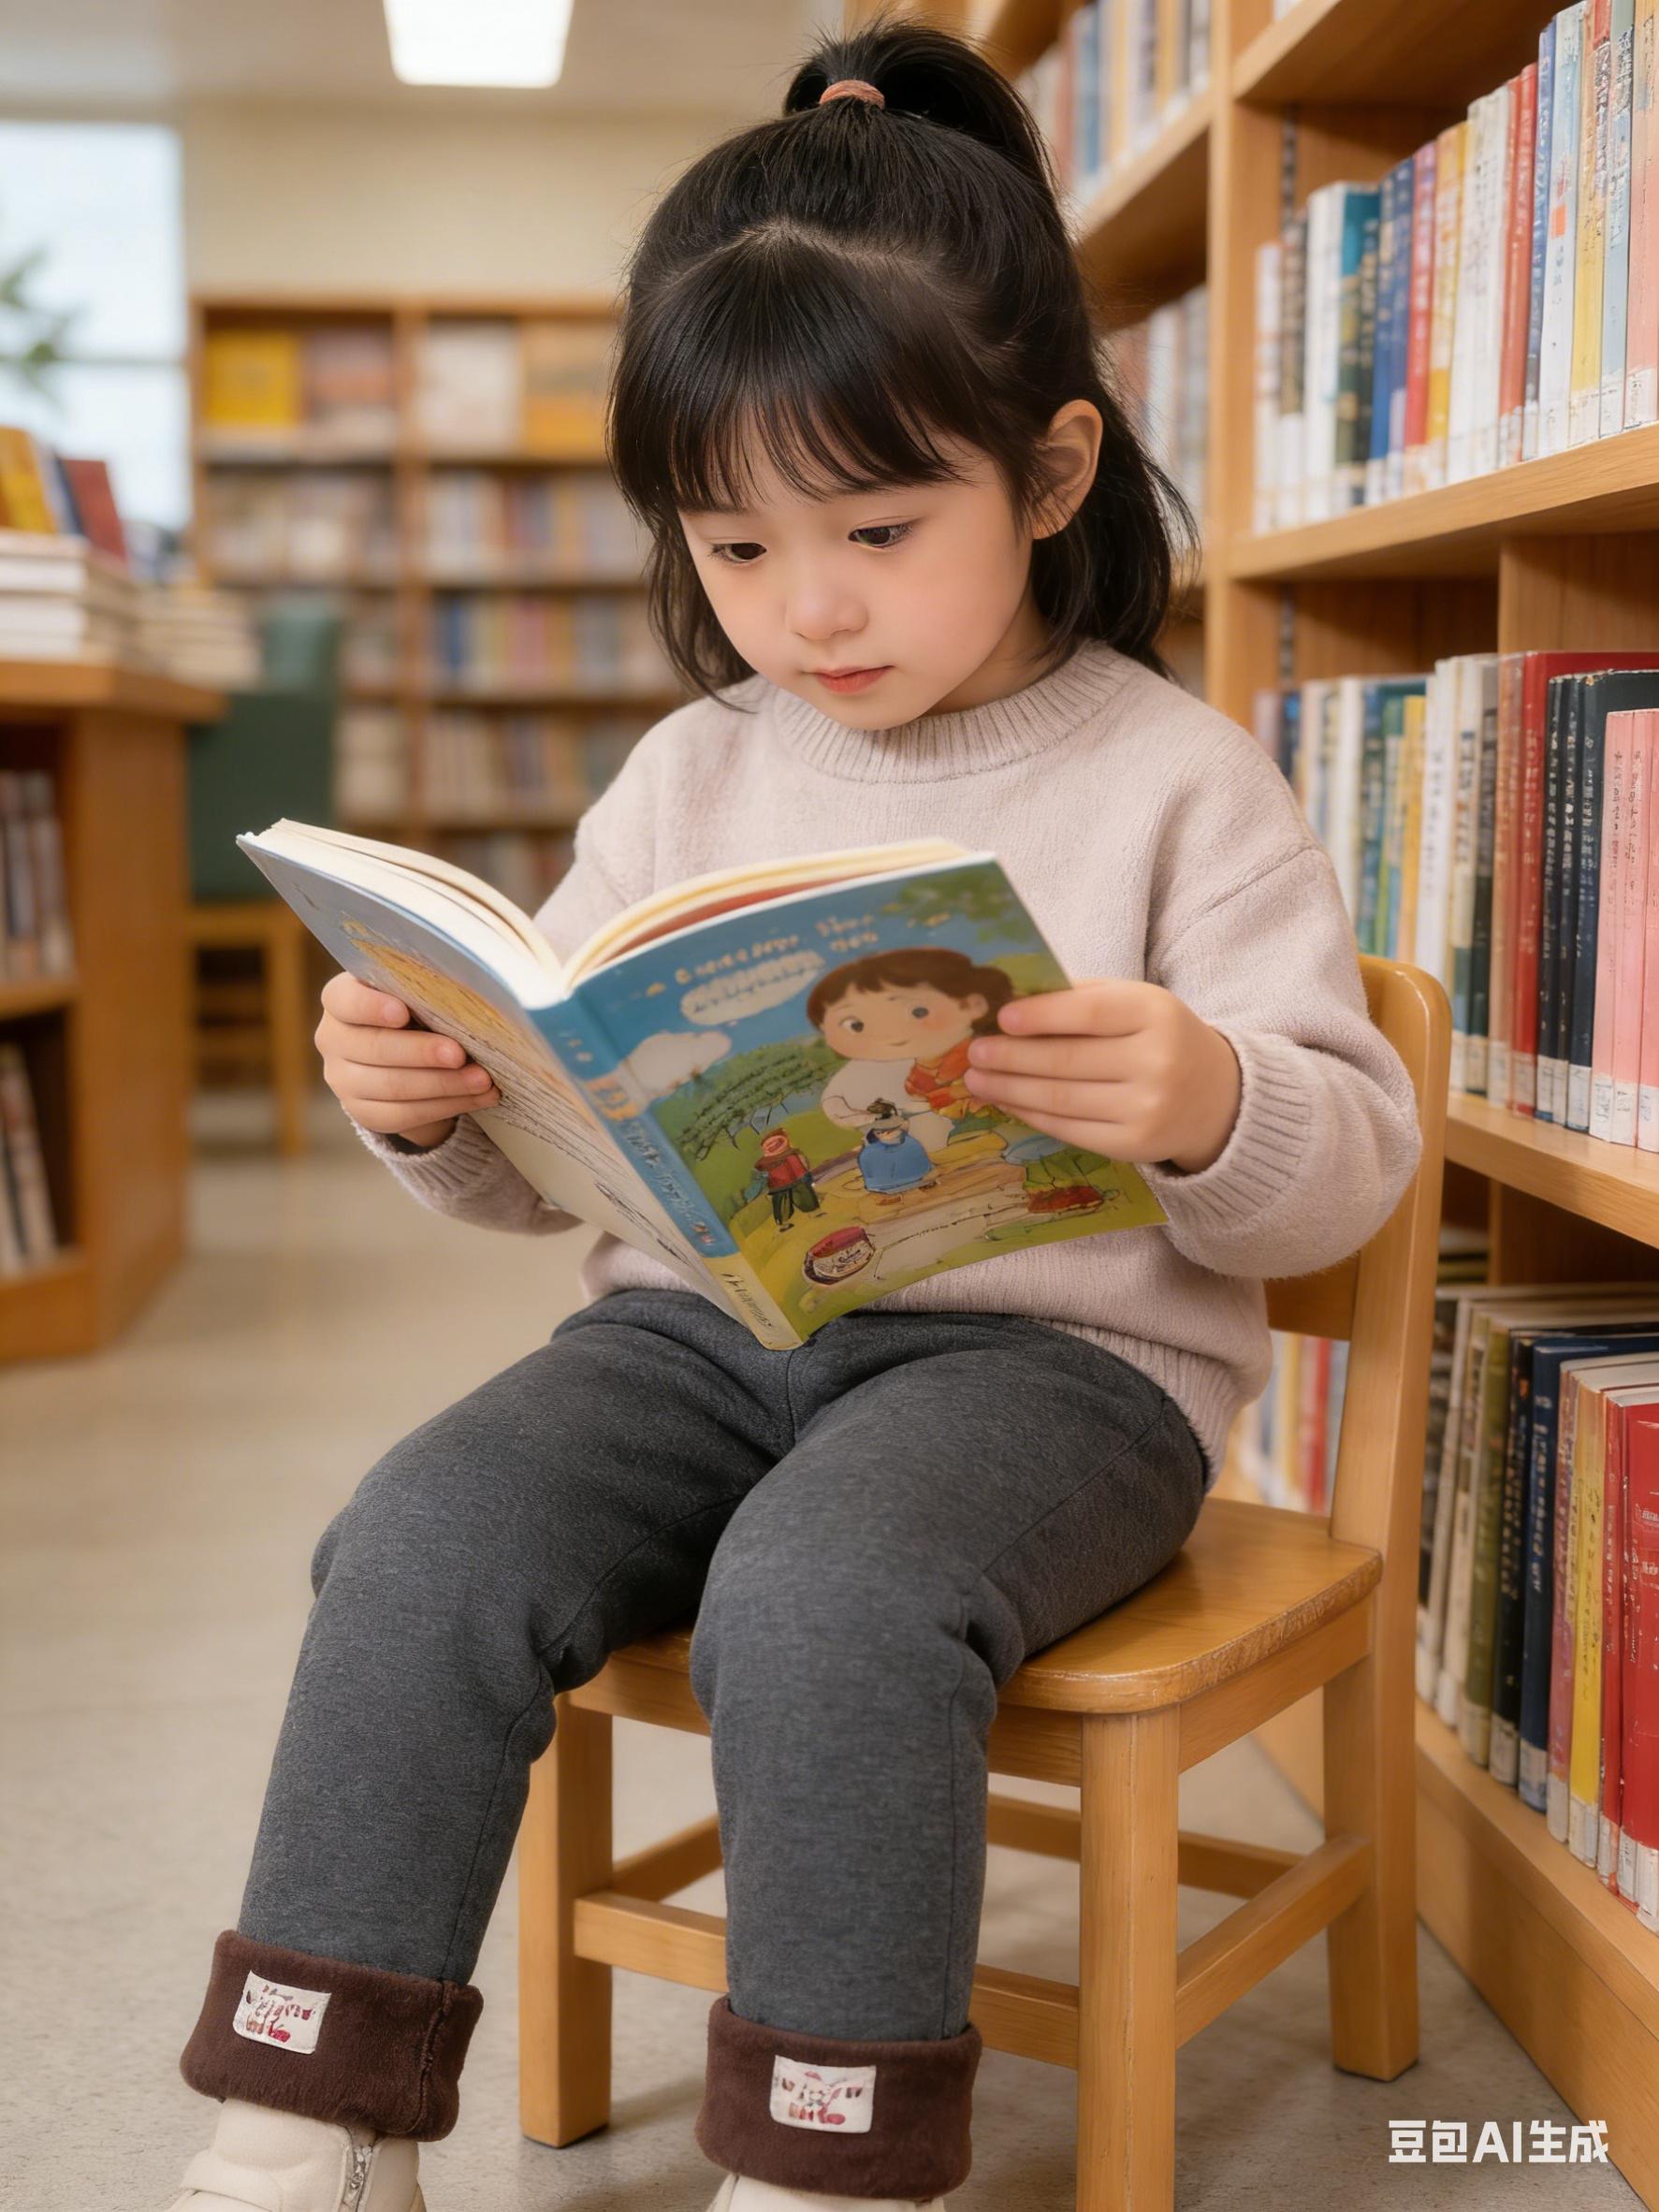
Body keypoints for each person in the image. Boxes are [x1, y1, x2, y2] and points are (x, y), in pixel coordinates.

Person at [163, 16, 1424, 2212]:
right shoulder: (690, 770)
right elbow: (554, 1122)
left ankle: (832, 2156)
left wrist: (1212, 1096)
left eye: (873, 524)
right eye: (733, 550)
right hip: (696, 1335)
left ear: (1045, 473)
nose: (805, 610)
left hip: (1058, 1370)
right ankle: (312, 2098)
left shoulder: (1179, 777)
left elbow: (1343, 1161)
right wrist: (431, 1095)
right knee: (423, 1530)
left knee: (823, 1594)